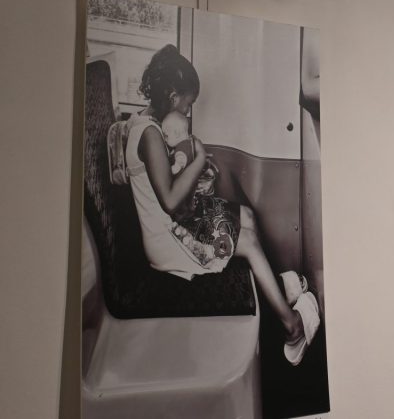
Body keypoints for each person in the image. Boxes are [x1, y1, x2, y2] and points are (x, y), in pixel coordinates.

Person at [126, 44, 319, 364]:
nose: (188, 112)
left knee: (246, 215)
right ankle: (292, 327)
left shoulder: (151, 124)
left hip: (174, 226)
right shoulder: (149, 135)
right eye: (188, 105)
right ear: (173, 97)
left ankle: (275, 291)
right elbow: (170, 201)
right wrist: (199, 159)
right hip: (169, 242)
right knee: (250, 243)